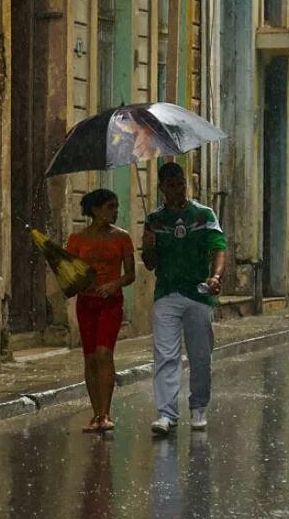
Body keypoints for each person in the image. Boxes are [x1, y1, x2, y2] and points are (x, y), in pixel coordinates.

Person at [141, 161, 227, 436]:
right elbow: (150, 264)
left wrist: (215, 277)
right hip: (167, 293)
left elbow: (218, 247)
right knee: (165, 355)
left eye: (180, 183)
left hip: (198, 293)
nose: (177, 189)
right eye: (171, 185)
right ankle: (166, 414)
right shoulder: (155, 220)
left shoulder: (203, 214)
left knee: (200, 355)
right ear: (162, 188)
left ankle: (199, 406)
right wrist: (149, 246)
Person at [66, 188, 135, 433]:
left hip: (111, 303)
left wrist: (114, 283)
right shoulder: (77, 240)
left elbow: (130, 275)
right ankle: (95, 413)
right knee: (90, 357)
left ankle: (106, 412)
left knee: (105, 353)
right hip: (86, 303)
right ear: (95, 210)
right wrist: (83, 283)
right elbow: (70, 273)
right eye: (110, 207)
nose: (116, 212)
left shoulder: (122, 238)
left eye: (116, 207)